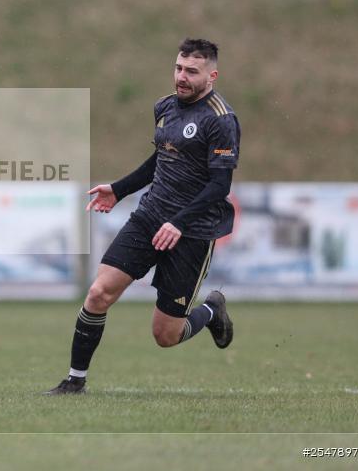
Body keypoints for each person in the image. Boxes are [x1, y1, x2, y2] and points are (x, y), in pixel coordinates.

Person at [46, 38, 239, 395]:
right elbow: (161, 159)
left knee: (165, 336)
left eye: (191, 72)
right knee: (99, 293)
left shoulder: (221, 120)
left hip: (192, 231)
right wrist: (119, 189)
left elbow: (219, 185)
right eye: (178, 68)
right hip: (149, 217)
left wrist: (179, 222)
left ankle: (211, 311)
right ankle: (75, 381)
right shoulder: (165, 107)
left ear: (212, 75)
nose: (181, 77)